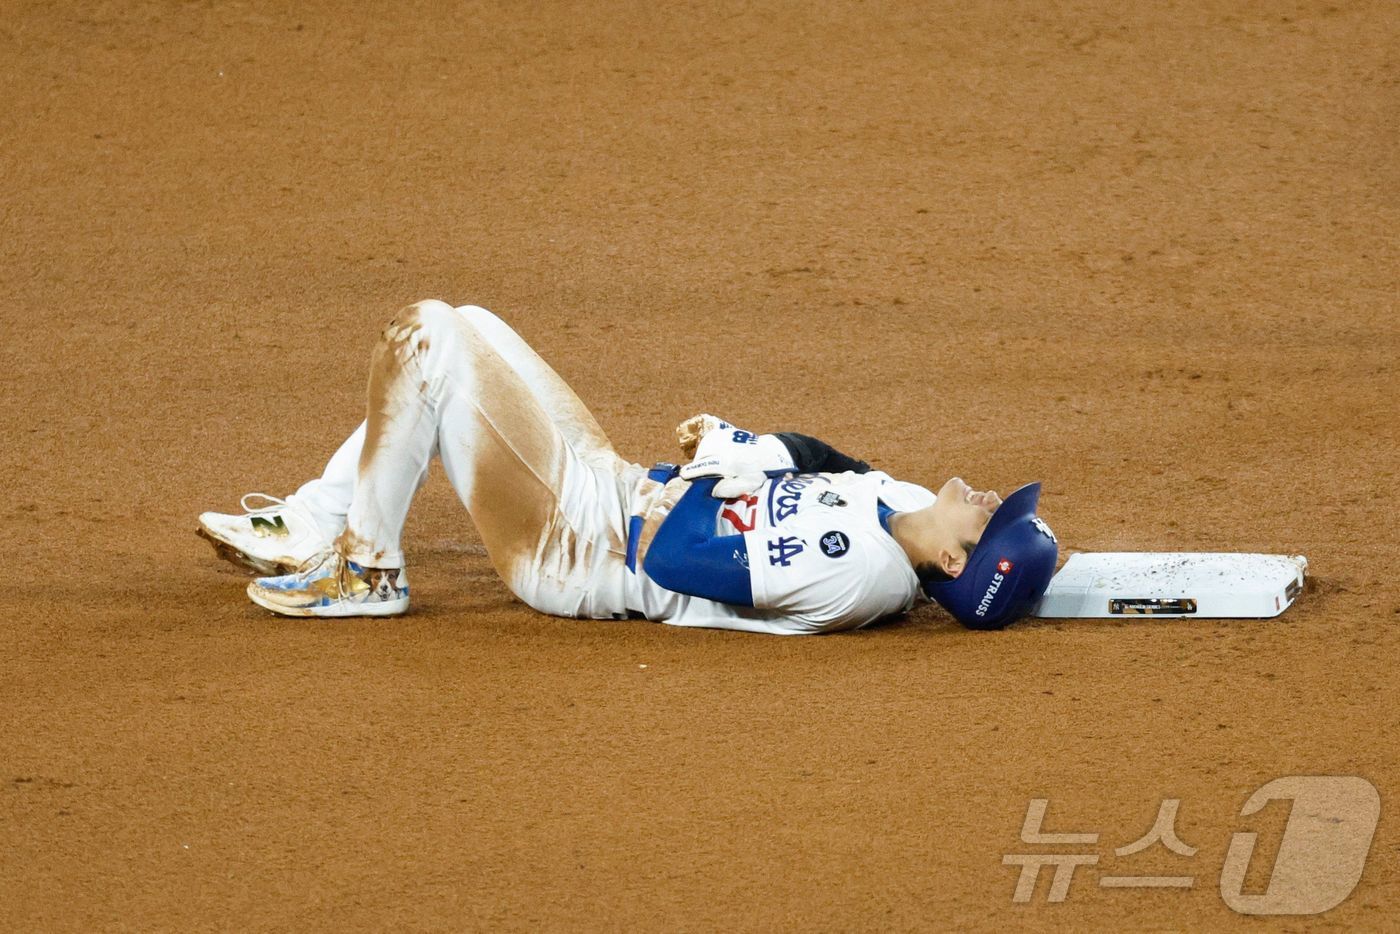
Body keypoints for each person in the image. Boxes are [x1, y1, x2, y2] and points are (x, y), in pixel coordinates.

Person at [197, 301, 1058, 635]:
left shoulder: (863, 573)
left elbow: (675, 561)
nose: (986, 494)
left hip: (583, 546)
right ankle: (319, 516)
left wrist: (719, 471)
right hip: (606, 484)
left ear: (954, 564)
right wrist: (754, 447)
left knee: (428, 337)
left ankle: (367, 570)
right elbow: (832, 465)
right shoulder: (902, 508)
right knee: (470, 321)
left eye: (991, 517)